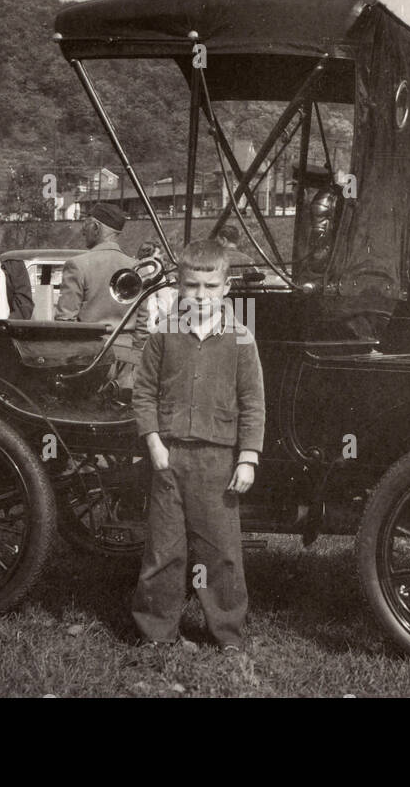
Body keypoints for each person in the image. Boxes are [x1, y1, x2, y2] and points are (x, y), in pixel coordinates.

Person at [131, 239, 265, 652]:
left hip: (218, 463)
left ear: (226, 288)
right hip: (169, 458)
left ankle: (227, 635)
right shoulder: (163, 336)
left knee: (221, 553)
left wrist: (247, 458)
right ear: (179, 287)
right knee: (163, 551)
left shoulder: (240, 338)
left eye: (210, 286)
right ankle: (156, 632)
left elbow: (253, 402)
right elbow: (144, 394)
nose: (201, 296)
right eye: (192, 286)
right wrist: (154, 444)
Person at [55, 203, 144, 385]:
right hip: (127, 360)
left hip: (90, 358)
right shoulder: (137, 267)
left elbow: (65, 322)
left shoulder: (77, 265)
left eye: (85, 224)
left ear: (96, 227)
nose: (82, 231)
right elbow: (143, 325)